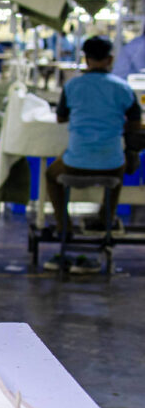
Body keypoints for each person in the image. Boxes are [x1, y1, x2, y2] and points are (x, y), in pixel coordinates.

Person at [44, 36, 142, 273]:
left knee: (50, 174)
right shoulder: (123, 88)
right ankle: (105, 221)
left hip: (75, 162)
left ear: (85, 59)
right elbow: (136, 122)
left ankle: (63, 227)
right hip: (111, 162)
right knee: (117, 172)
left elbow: (60, 117)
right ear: (110, 59)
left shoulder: (72, 86)